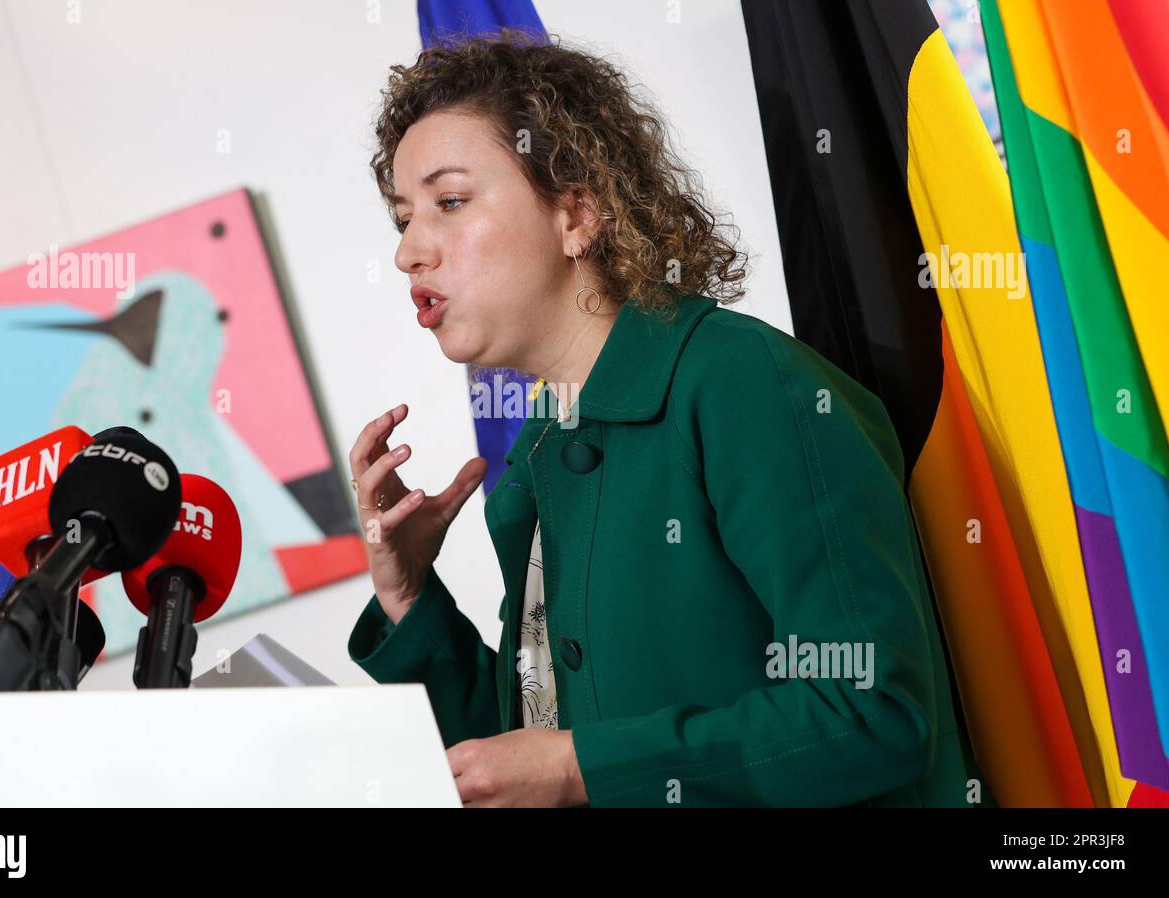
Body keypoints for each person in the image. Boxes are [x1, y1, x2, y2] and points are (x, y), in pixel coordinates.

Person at [346, 28, 973, 807]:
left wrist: (584, 770)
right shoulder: (542, 446)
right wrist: (409, 599)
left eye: (448, 202)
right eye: (404, 216)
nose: (408, 250)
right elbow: (528, 747)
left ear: (578, 214)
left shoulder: (744, 384)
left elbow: (871, 713)